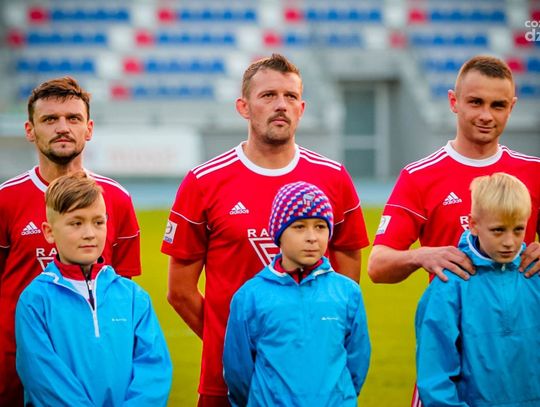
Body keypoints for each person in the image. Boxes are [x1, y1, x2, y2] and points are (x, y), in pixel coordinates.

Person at [161, 53, 369, 406]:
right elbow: (179, 291)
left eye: (290, 96)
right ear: (243, 107)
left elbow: (346, 278)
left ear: (302, 108)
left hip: (311, 377)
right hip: (225, 380)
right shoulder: (203, 182)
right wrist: (236, 344)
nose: (281, 105)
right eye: (268, 95)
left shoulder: (333, 177)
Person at [367, 55, 540, 406]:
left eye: (498, 105)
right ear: (453, 101)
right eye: (475, 102)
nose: (486, 115)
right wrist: (421, 256)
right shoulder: (420, 176)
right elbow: (377, 265)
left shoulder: (533, 172)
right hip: (451, 352)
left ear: (512, 107)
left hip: (515, 362)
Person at [0, 77, 141, 406]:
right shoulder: (5, 200)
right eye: (50, 119)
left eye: (73, 118)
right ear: (30, 130)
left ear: (88, 129)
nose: (62, 127)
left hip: (91, 366)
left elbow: (121, 295)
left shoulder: (117, 200)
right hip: (13, 367)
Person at [15, 172, 171, 406]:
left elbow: (154, 369)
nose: (89, 234)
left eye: (98, 222)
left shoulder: (133, 297)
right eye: (76, 223)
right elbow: (43, 378)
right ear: (49, 232)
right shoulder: (35, 301)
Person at [223, 181, 370, 407]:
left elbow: (357, 361)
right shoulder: (249, 296)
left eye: (320, 227)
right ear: (279, 234)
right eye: (299, 227)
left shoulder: (348, 292)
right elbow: (238, 372)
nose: (312, 237)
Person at [415, 172, 540, 406]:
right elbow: (435, 374)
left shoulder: (535, 275)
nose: (509, 242)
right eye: (498, 230)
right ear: (473, 224)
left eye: (518, 229)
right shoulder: (449, 286)